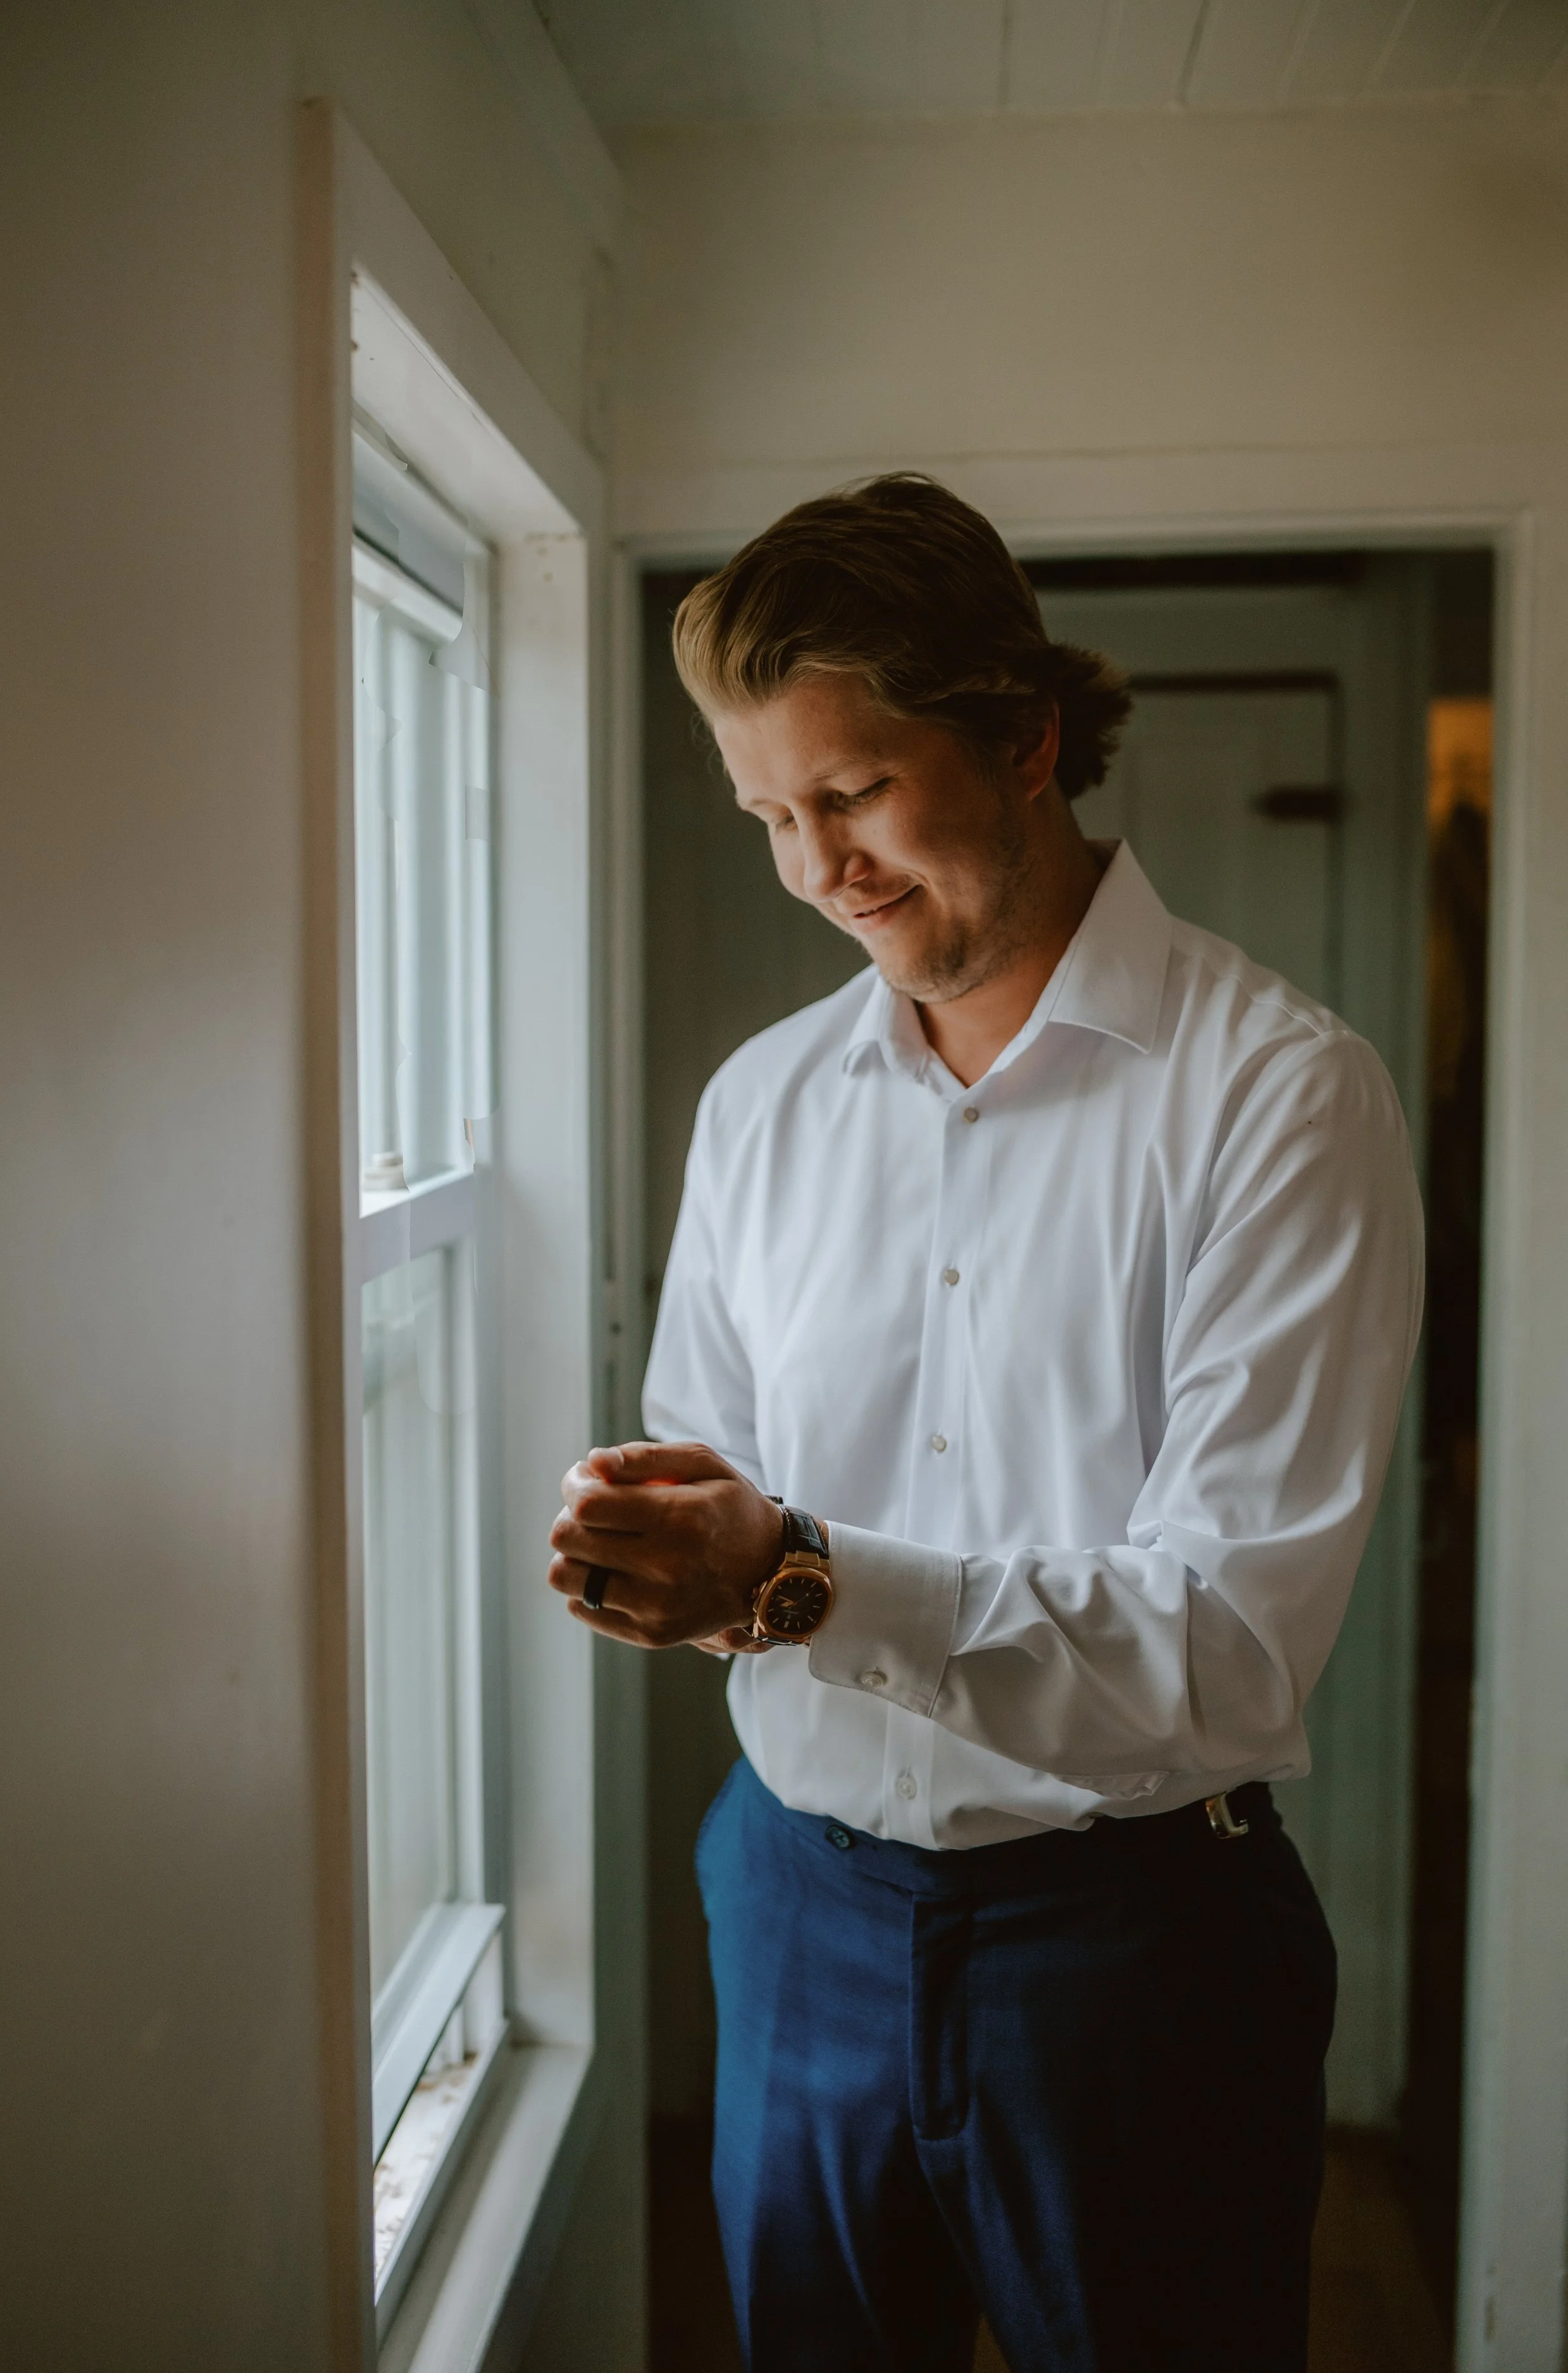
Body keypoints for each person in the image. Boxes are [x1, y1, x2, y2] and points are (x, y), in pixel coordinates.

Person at [548, 475, 1423, 2372]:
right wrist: (670, 1565)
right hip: (793, 1902)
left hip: (1135, 1940)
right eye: (769, 813)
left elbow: (1222, 1640)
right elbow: (713, 1471)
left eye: (852, 790)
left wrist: (780, 1569)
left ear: (1025, 740)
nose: (816, 865)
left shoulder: (1278, 1098)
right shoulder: (761, 1105)